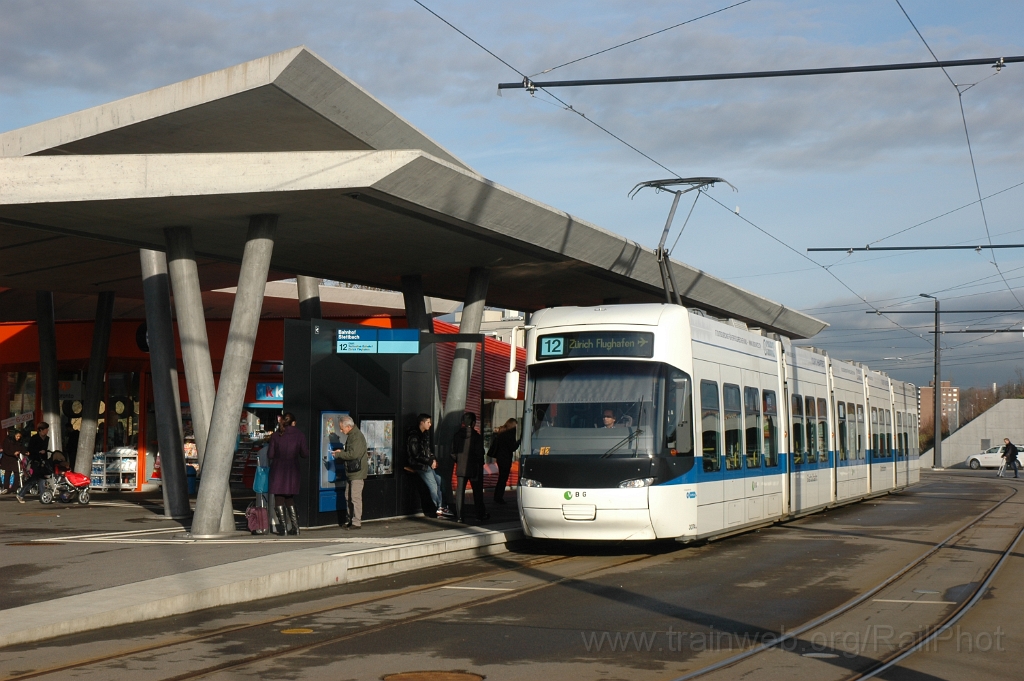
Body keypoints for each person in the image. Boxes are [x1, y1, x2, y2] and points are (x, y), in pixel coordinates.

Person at [267, 412, 308, 535]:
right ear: (294, 422)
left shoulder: (276, 435)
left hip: (278, 469)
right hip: (292, 470)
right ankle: (296, 527)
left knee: (279, 497)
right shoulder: (299, 435)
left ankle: (283, 528)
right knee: (289, 497)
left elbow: (270, 455)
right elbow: (305, 454)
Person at [407, 414, 449, 518]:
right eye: (428, 422)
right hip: (420, 465)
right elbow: (415, 455)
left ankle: (441, 506)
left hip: (426, 463)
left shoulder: (425, 434)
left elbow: (428, 450)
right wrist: (430, 461)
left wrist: (433, 459)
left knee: (439, 481)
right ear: (422, 422)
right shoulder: (414, 435)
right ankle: (439, 508)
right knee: (433, 485)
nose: (430, 425)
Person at [452, 412, 488, 523]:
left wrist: (458, 460)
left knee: (460, 492)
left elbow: (453, 453)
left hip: (461, 468)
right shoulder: (476, 437)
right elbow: (479, 453)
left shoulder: (457, 435)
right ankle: (479, 515)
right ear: (473, 423)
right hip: (474, 468)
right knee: (477, 492)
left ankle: (459, 516)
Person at [337, 415, 368, 529]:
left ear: (348, 427)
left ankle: (356, 522)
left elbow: (354, 454)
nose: (341, 430)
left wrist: (339, 454)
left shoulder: (356, 437)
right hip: (352, 472)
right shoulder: (352, 435)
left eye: (342, 428)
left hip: (357, 472)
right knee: (348, 496)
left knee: (355, 497)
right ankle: (351, 519)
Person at [16, 422, 51, 503]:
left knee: (41, 478)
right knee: (34, 478)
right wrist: (38, 452)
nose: (47, 430)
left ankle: (43, 497)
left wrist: (44, 453)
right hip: (35, 461)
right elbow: (30, 450)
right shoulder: (34, 438)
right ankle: (21, 494)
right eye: (46, 429)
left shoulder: (47, 438)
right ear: (41, 430)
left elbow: (46, 449)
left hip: (43, 460)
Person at [488, 418, 519, 504]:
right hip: (506, 458)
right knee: (503, 478)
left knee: (501, 478)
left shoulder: (501, 431)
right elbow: (512, 447)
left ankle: (497, 496)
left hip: (500, 458)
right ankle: (499, 497)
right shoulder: (509, 435)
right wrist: (518, 442)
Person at [1, 428, 26, 495]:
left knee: (17, 473)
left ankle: (14, 488)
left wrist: (25, 452)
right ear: (14, 435)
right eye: (17, 436)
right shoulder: (7, 440)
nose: (18, 438)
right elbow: (6, 450)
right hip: (8, 459)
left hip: (15, 459)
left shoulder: (19, 441)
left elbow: (21, 448)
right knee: (7, 473)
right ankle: (6, 488)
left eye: (19, 436)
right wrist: (13, 453)